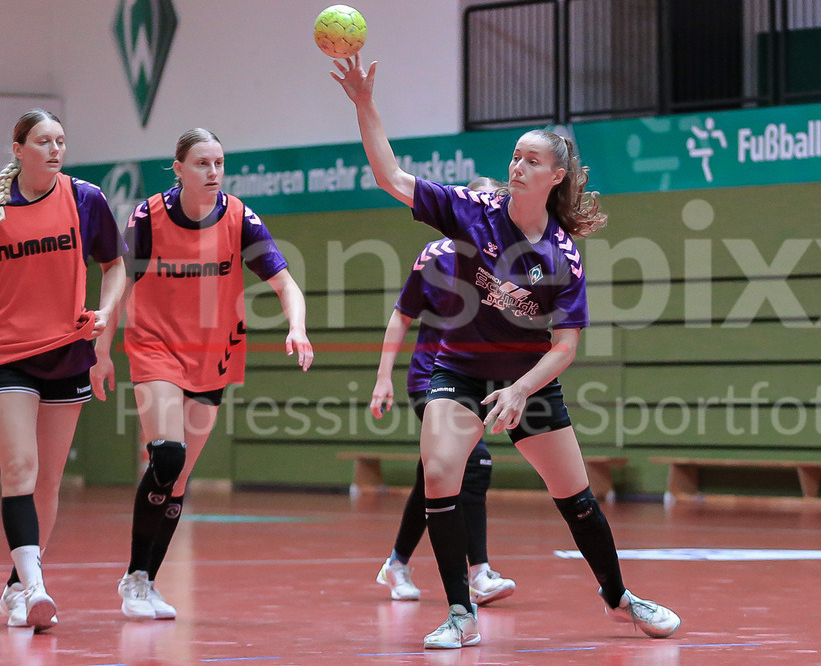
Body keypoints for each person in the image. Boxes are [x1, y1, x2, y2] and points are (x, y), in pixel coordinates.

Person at [332, 55, 680, 650]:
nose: (518, 166)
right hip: (460, 373)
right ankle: (461, 613)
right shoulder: (474, 212)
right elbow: (392, 177)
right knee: (441, 472)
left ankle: (621, 598)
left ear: (555, 177)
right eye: (515, 156)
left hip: (528, 382)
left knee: (576, 497)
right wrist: (365, 104)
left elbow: (566, 346)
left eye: (532, 160)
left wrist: (522, 389)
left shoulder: (563, 257)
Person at [91, 127, 314, 621]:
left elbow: (285, 282)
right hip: (154, 348)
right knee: (167, 456)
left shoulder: (239, 218)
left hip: (213, 354)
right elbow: (121, 281)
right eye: (201, 164)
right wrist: (102, 350)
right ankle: (133, 578)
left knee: (180, 477)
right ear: (179, 168)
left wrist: (296, 327)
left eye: (219, 163)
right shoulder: (149, 215)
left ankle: (147, 580)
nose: (213, 172)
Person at [0, 109, 128, 630]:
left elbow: (116, 264)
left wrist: (105, 316)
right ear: (18, 149)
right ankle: (34, 587)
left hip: (68, 351)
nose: (54, 150)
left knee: (48, 481)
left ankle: (14, 589)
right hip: (9, 354)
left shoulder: (85, 198)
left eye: (61, 141)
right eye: (43, 142)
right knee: (17, 469)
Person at [371, 176, 516, 606]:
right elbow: (401, 316)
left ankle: (396, 563)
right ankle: (480, 573)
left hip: (475, 381)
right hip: (430, 380)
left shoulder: (507, 261)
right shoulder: (434, 257)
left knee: (435, 475)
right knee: (476, 463)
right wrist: (383, 378)